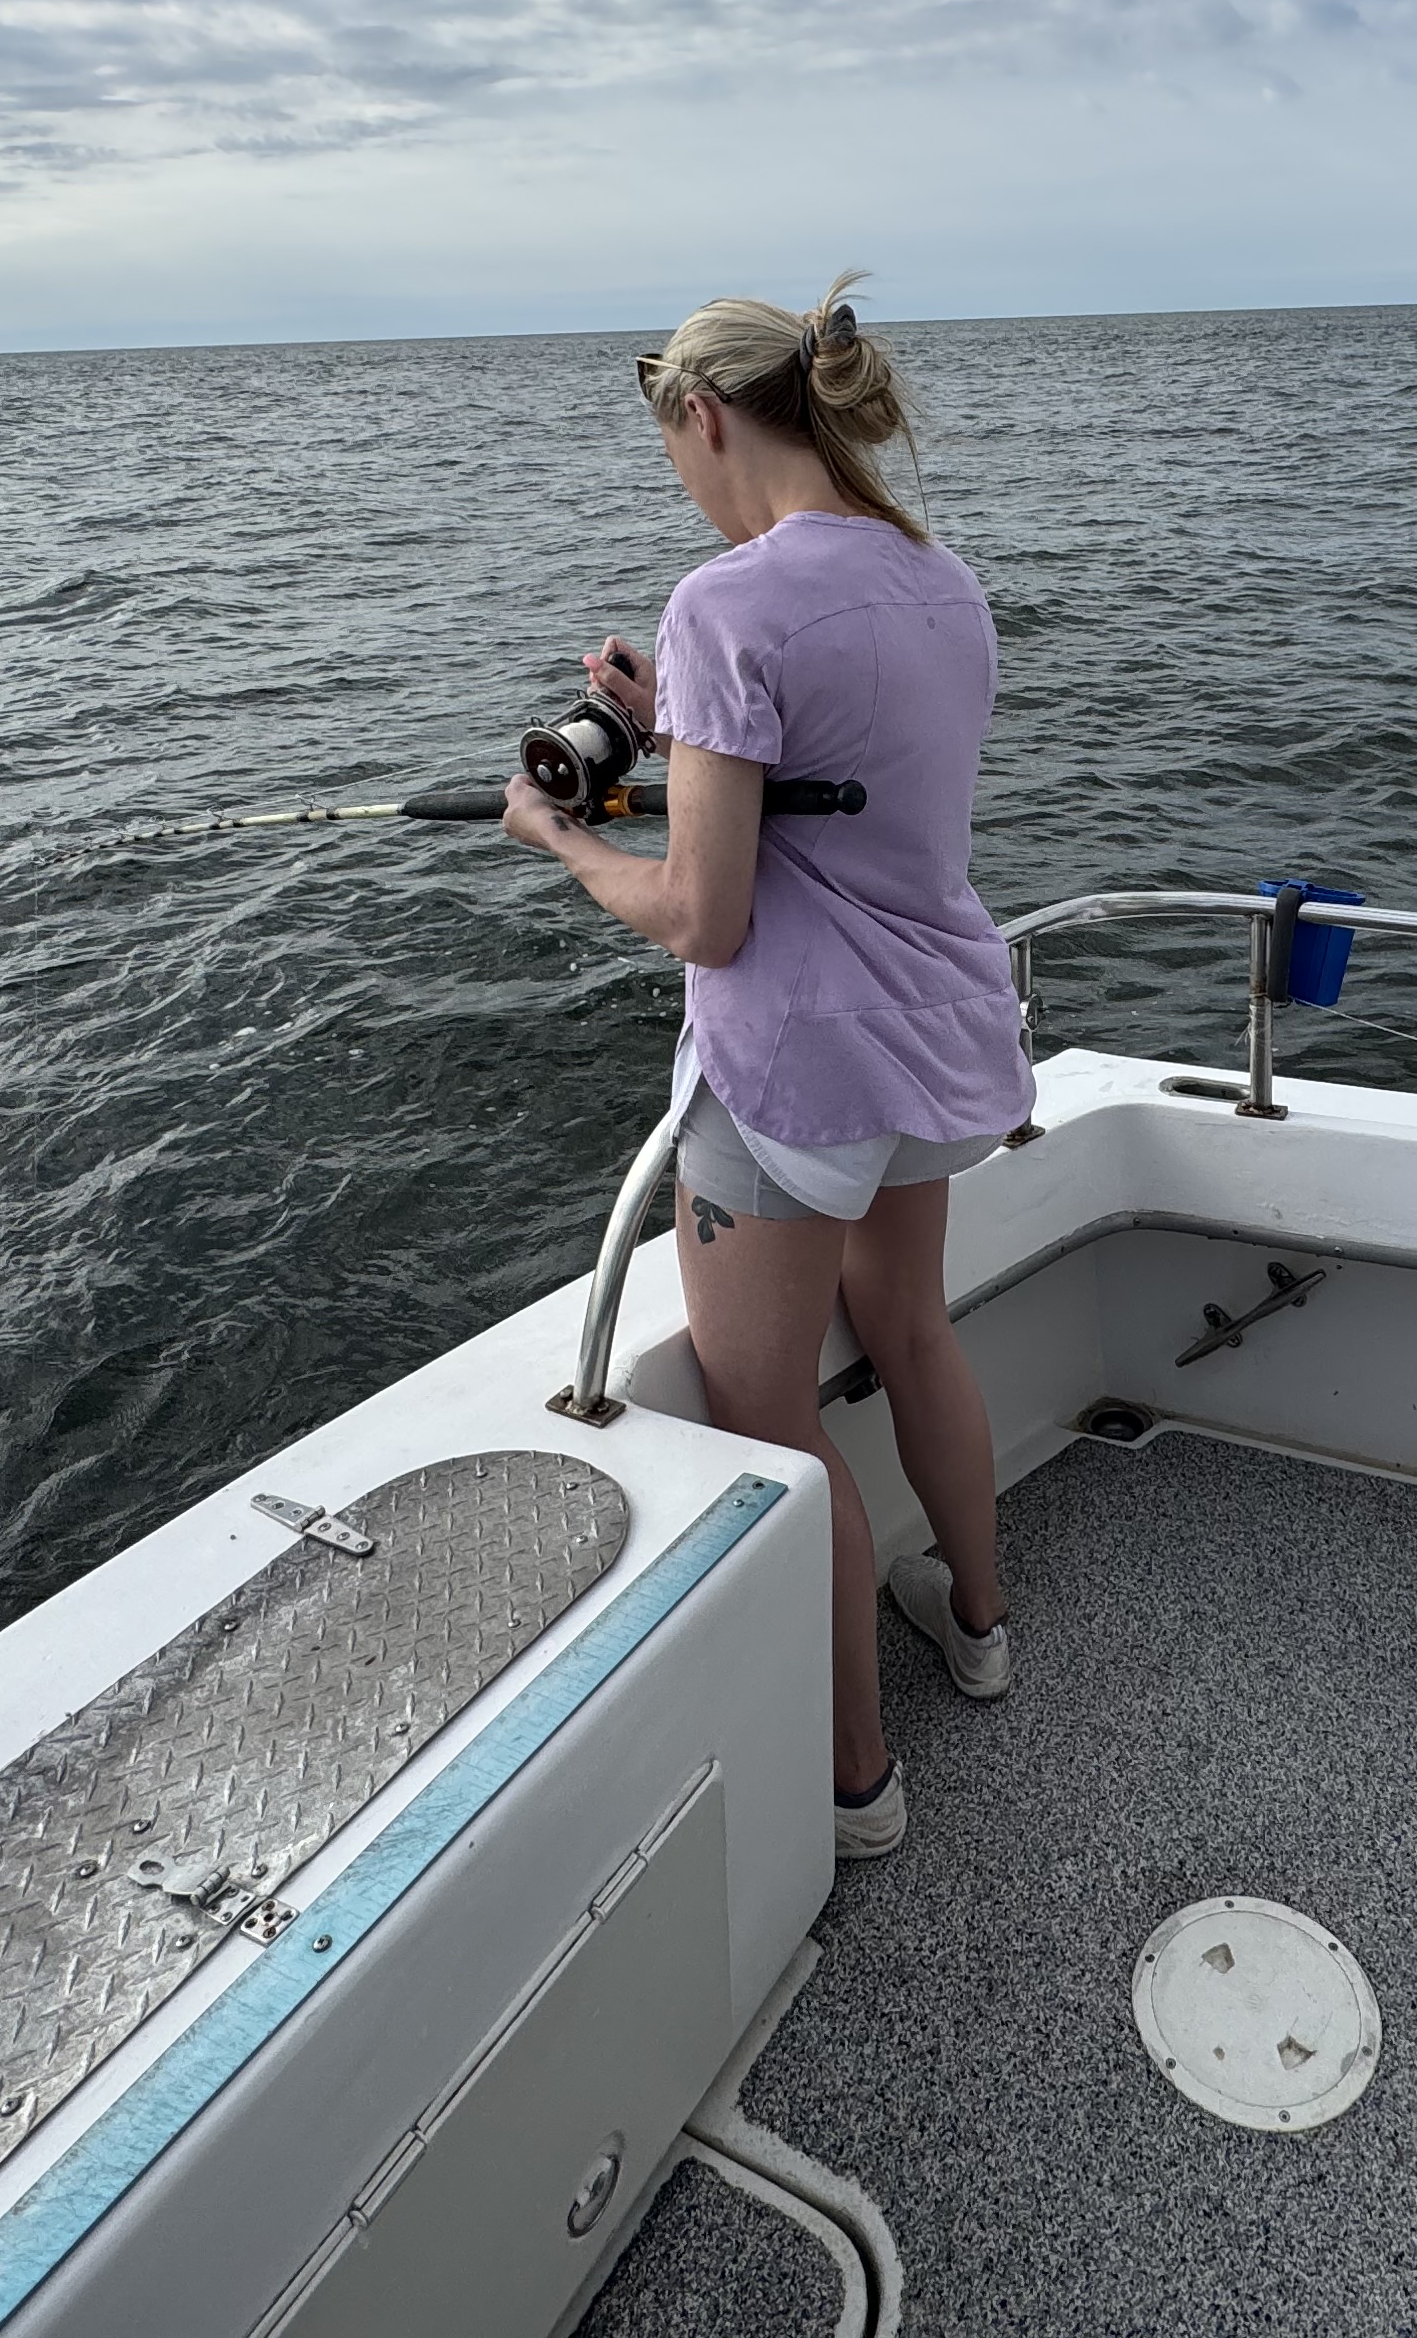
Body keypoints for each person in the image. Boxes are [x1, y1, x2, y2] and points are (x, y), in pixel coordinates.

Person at [505, 274, 1034, 1860]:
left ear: (705, 416)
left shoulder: (723, 603)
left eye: (671, 440)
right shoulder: (940, 583)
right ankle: (986, 1627)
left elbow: (703, 912)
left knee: (768, 1424)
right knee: (915, 1333)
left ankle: (856, 1783)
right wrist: (677, 730)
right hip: (939, 1045)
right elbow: (847, 785)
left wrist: (560, 842)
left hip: (794, 1083)